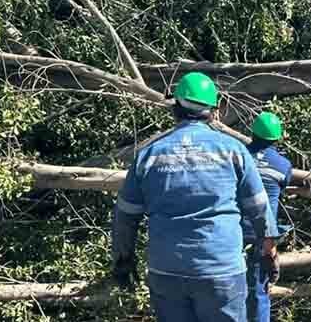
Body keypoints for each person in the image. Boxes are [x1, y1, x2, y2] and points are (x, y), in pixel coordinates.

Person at [111, 72, 277, 322]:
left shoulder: (149, 155)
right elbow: (259, 208)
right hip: (221, 270)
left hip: (166, 270)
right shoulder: (233, 151)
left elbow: (125, 215)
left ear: (175, 108)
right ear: (214, 110)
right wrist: (269, 253)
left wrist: (123, 259)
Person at [242, 112, 293, 322]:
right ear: (277, 138)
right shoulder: (282, 166)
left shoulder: (238, 156)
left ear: (252, 133)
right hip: (262, 238)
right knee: (258, 295)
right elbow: (282, 187)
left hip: (230, 233)